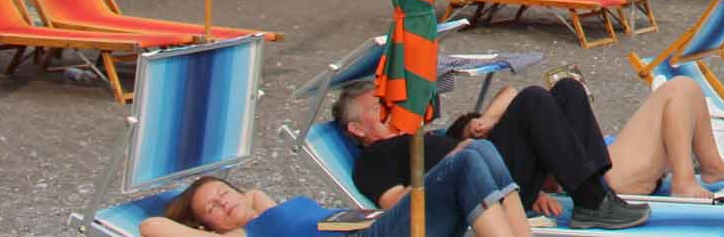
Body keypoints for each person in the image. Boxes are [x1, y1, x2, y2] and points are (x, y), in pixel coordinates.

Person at [338, 80, 651, 228]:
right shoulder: (373, 159)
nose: (390, 106)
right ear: (356, 129)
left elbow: (507, 95)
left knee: (568, 88)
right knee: (533, 100)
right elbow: (399, 205)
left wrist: (534, 189)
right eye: (378, 106)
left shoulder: (423, 136)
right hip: (473, 187)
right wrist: (456, 160)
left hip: (499, 170)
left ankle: (599, 194)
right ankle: (592, 203)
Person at [142, 142, 532, 237]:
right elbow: (151, 228)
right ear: (206, 227)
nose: (221, 202)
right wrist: (197, 227)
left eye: (221, 192)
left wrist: (247, 198)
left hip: (376, 223)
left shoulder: (265, 210)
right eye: (211, 208)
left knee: (482, 148)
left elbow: (257, 196)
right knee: (463, 163)